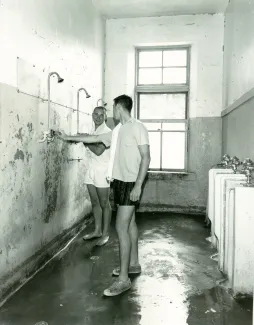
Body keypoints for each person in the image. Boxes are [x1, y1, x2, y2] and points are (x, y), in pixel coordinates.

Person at [56, 95, 151, 297]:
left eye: (113, 107)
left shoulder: (138, 127)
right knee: (130, 224)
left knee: (121, 227)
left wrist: (138, 186)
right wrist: (68, 137)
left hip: (131, 183)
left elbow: (146, 157)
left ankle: (123, 279)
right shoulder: (117, 131)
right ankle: (133, 265)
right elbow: (93, 139)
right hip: (119, 181)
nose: (112, 112)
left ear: (118, 107)